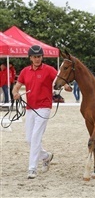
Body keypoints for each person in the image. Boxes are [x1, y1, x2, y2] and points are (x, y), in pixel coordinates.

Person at [12, 45, 71, 179]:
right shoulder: (25, 71)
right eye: (35, 57)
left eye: (39, 57)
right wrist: (15, 93)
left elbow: (59, 80)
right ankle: (46, 156)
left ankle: (32, 168)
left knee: (35, 138)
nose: (37, 59)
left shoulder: (49, 70)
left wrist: (66, 86)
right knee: (29, 139)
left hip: (44, 108)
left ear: (42, 57)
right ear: (30, 58)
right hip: (30, 108)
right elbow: (16, 87)